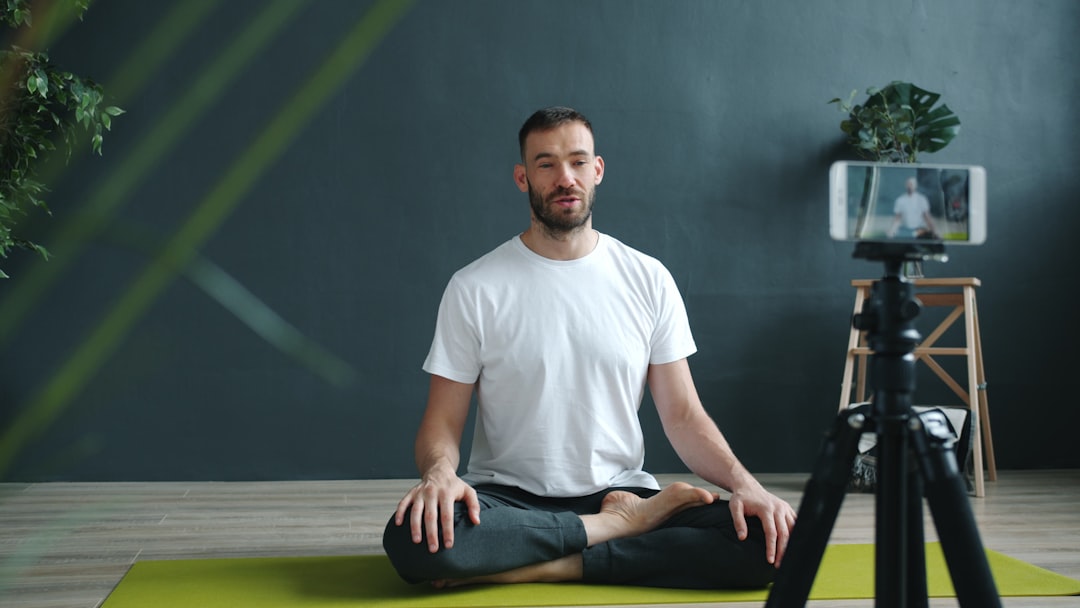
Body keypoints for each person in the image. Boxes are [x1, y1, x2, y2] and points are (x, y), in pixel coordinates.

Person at [382, 106, 796, 590]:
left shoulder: (648, 279)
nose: (565, 178)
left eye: (578, 162)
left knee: (770, 539)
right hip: (509, 502)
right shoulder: (474, 287)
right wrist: (438, 476)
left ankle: (548, 562)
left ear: (597, 170)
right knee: (410, 540)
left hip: (623, 494)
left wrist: (748, 486)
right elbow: (441, 424)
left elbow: (683, 415)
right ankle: (612, 536)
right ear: (522, 177)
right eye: (546, 164)